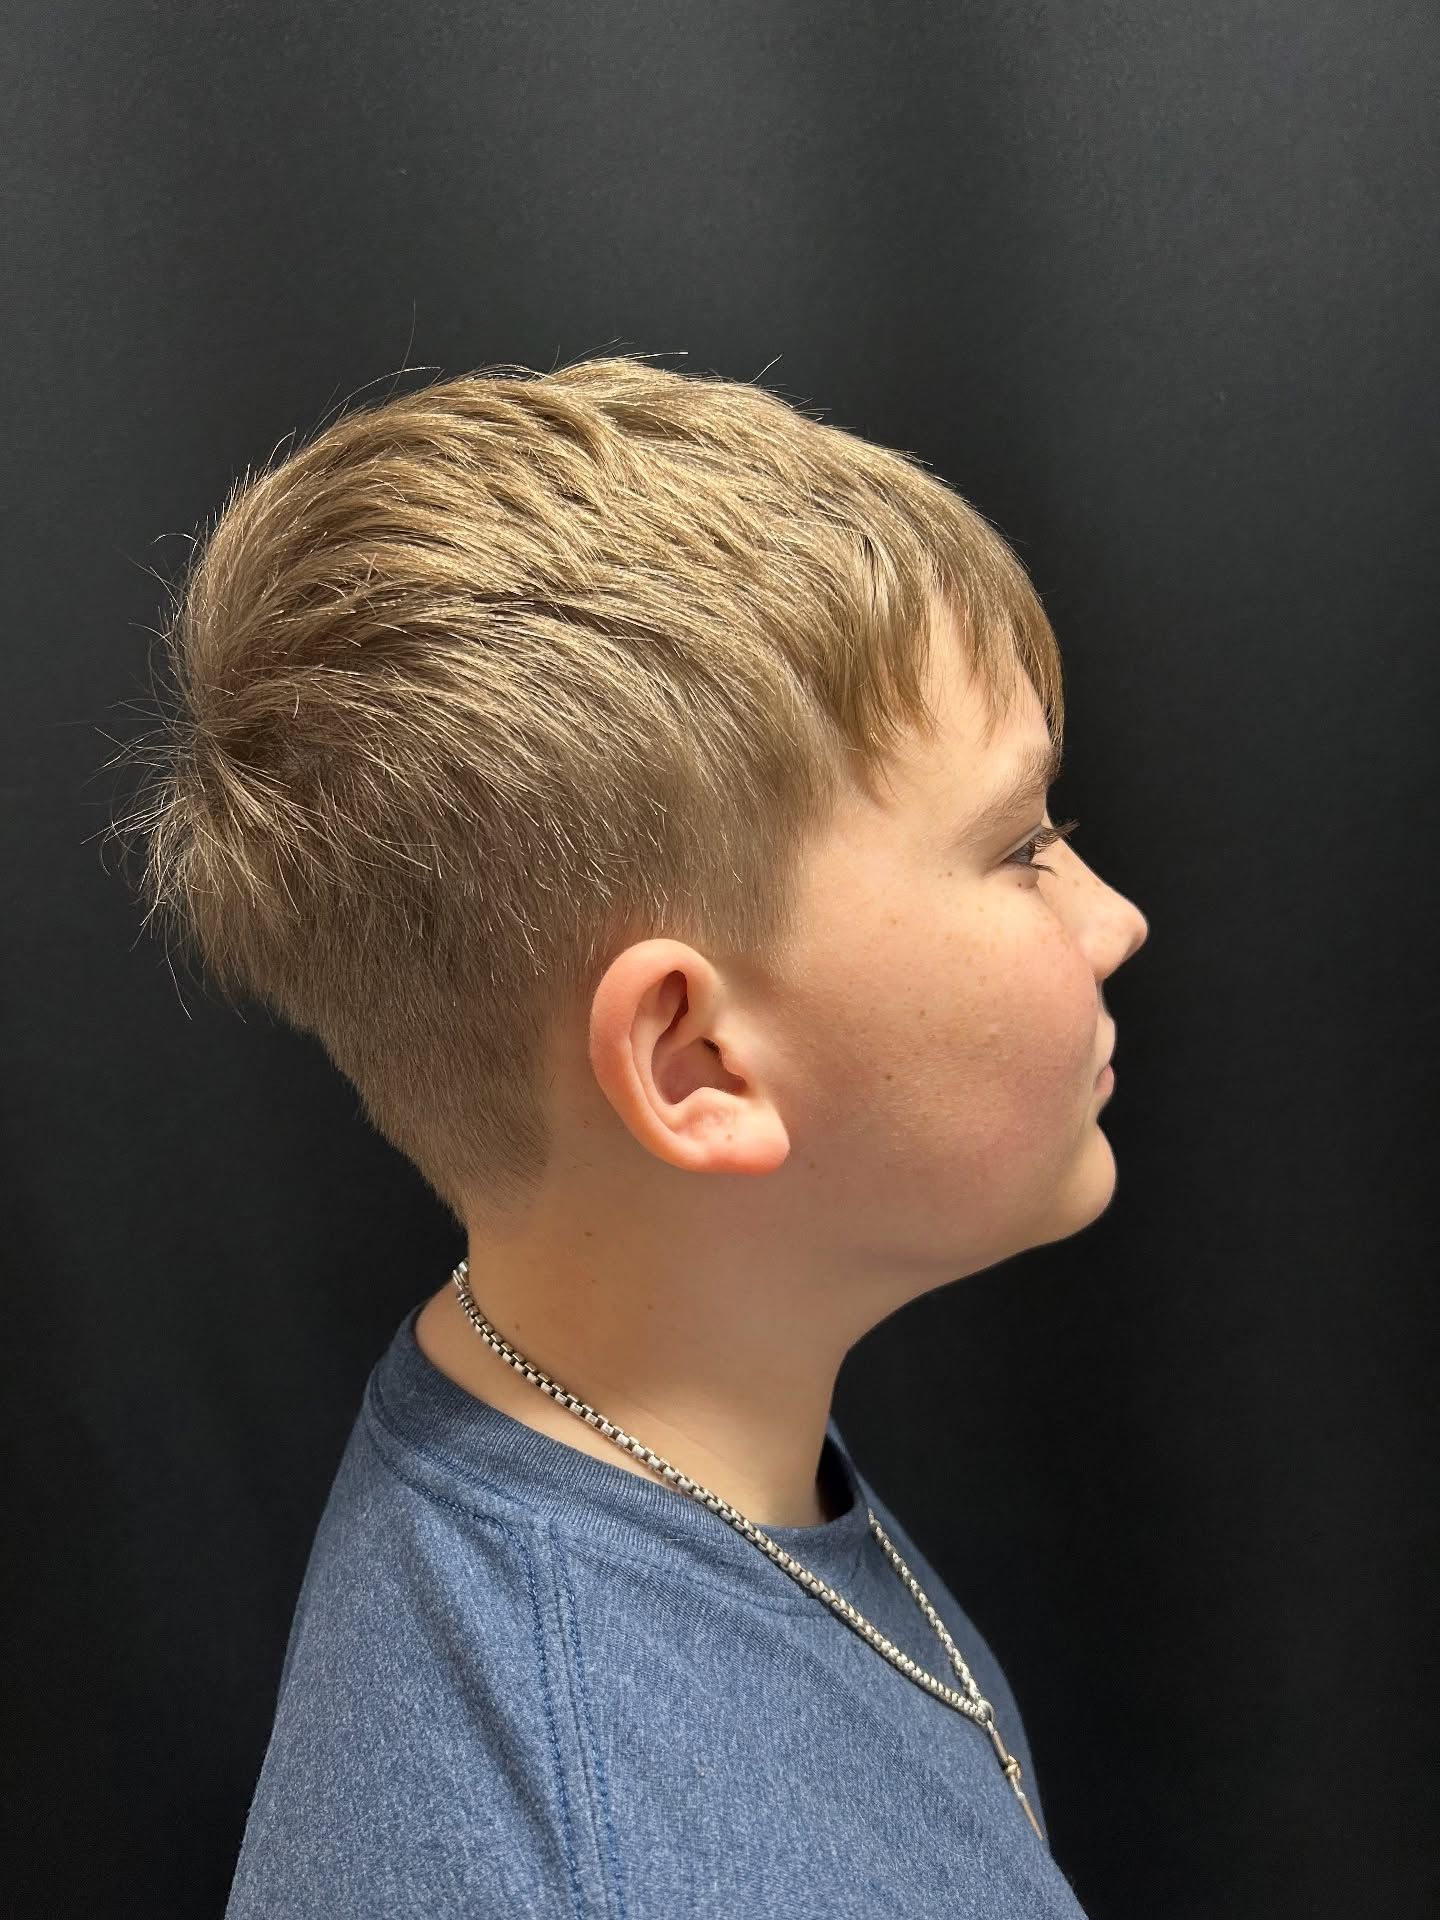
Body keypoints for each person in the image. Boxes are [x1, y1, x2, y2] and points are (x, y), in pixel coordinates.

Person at [129, 353, 1147, 1916]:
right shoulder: (609, 1850)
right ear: (695, 1061)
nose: (1114, 920)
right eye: (1021, 848)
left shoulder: (648, 1442)